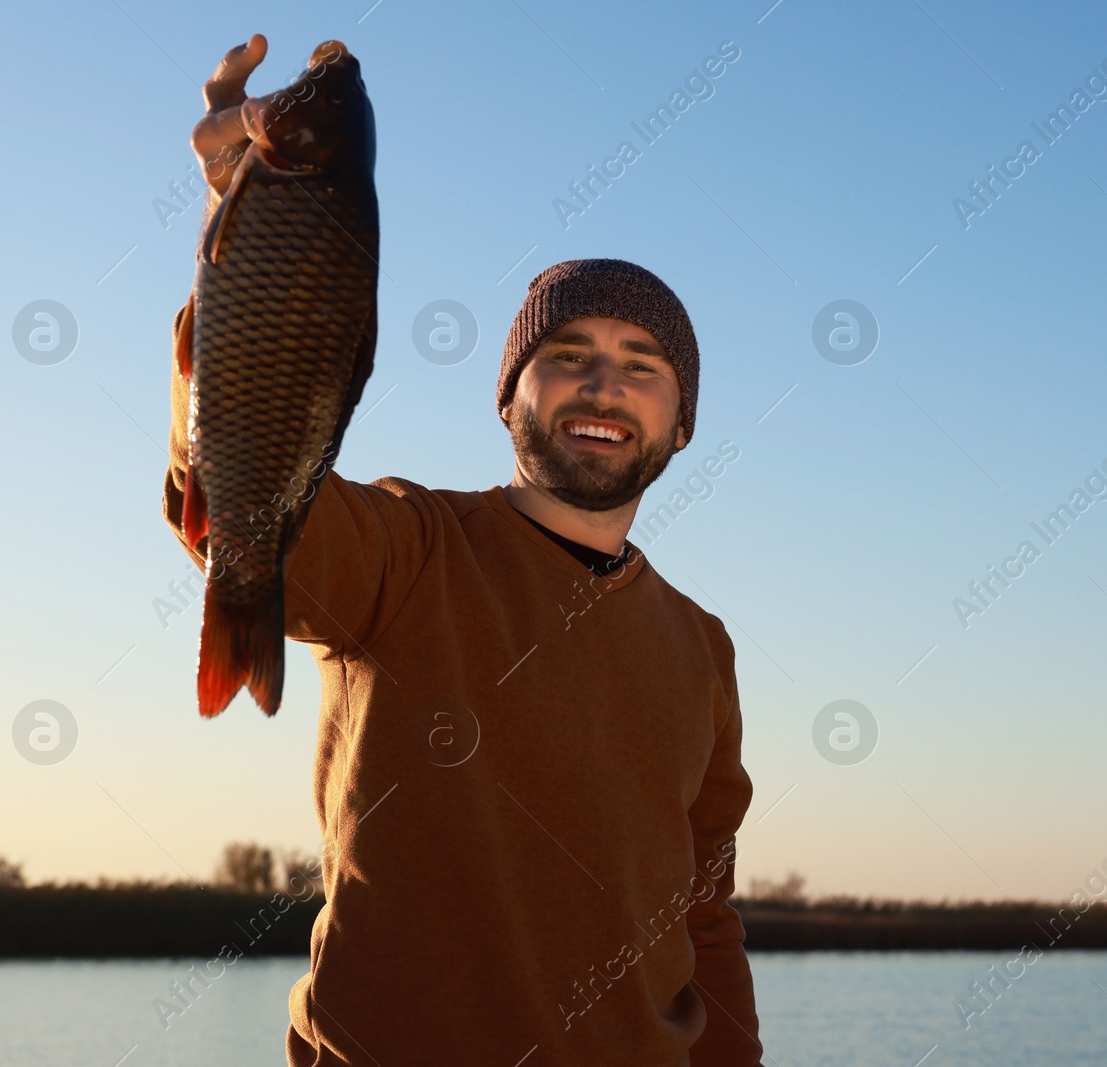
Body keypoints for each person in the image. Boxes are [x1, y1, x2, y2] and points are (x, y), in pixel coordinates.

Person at [166, 35, 765, 1067]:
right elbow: (234, 493)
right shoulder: (407, 547)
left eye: (641, 365)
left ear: (682, 422)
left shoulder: (702, 646)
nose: (601, 385)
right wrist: (243, 256)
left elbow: (704, 914)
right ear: (510, 397)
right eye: (565, 355)